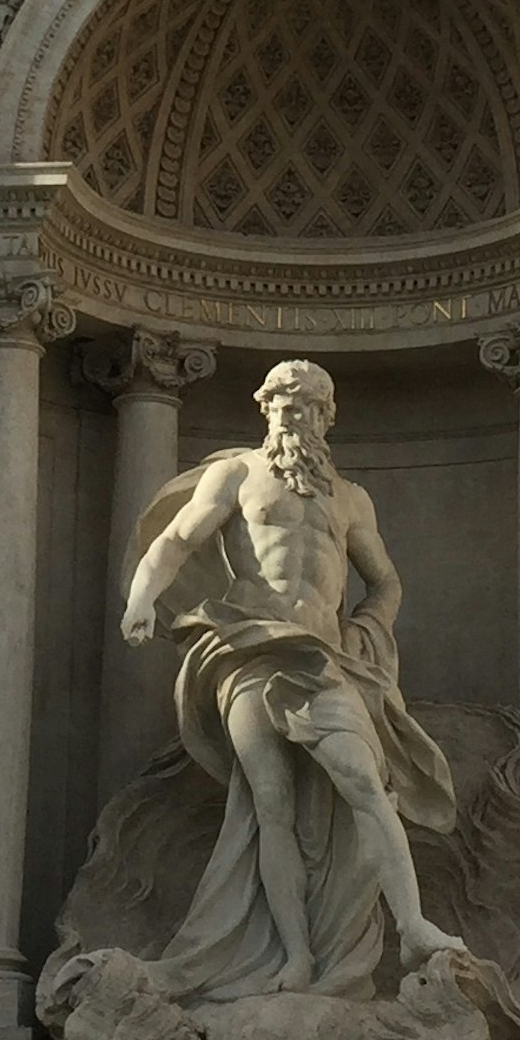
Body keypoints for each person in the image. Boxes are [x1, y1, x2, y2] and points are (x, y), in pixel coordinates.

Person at [119, 358, 465, 997]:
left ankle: (413, 926)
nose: (288, 413)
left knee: (365, 779)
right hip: (250, 651)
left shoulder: (351, 498)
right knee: (269, 803)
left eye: (302, 403)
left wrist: (368, 631)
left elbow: (384, 579)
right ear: (264, 409)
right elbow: (173, 541)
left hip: (322, 658)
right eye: (278, 402)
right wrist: (141, 597)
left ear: (325, 416)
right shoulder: (236, 475)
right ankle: (295, 958)